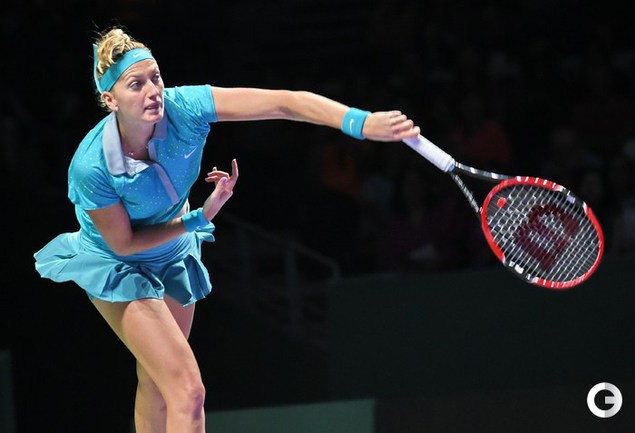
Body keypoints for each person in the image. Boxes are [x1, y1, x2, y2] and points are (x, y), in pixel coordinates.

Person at [33, 27, 420, 433]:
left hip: (172, 251)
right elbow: (125, 243)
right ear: (110, 99)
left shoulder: (186, 107)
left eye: (156, 78)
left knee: (156, 382)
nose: (153, 91)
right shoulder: (91, 166)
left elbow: (283, 103)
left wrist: (362, 122)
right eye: (136, 84)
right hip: (117, 263)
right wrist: (199, 218)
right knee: (188, 392)